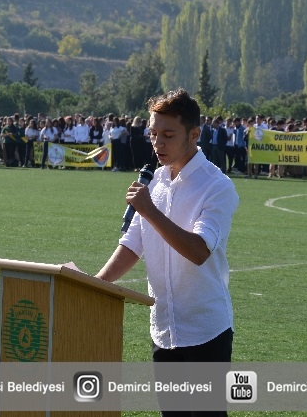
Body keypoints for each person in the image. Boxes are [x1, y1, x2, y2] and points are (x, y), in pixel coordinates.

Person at [95, 88, 239, 417]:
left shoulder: (217, 186)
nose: (157, 143)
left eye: (168, 135)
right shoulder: (155, 181)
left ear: (194, 134)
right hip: (163, 328)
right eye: (153, 134)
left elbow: (199, 250)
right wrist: (95, 284)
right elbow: (133, 243)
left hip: (206, 331)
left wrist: (149, 210)